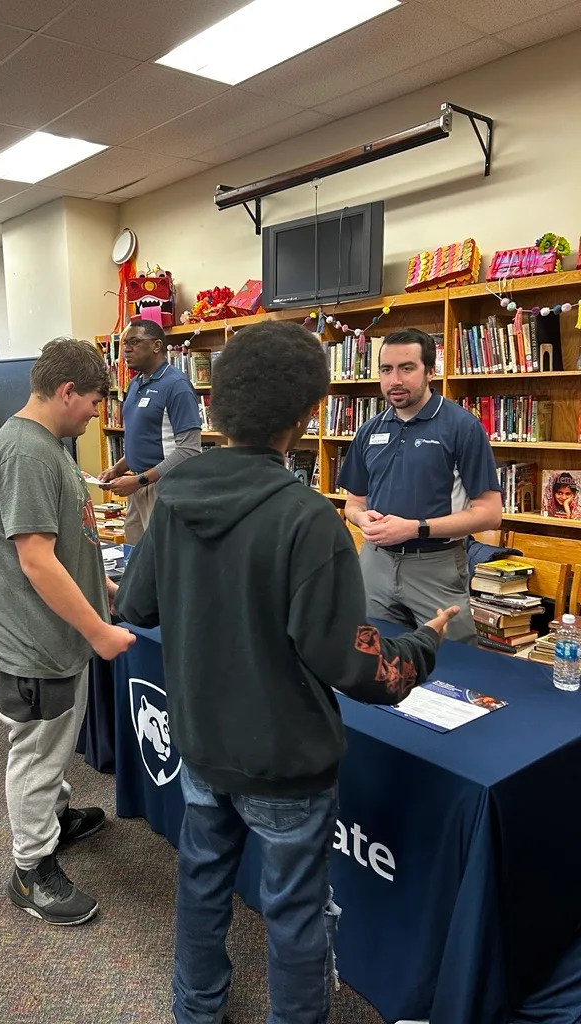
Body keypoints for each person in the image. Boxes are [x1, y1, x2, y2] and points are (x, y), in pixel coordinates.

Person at [115, 321, 458, 1024]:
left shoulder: (175, 497)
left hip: (203, 742)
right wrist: (424, 645)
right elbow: (356, 667)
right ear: (305, 416)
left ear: (220, 406)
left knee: (202, 881)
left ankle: (196, 1008)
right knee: (297, 913)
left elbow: (139, 602)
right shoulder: (306, 518)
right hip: (286, 759)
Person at [0, 338, 135, 926]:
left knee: (56, 744)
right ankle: (31, 867)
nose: (97, 412)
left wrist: (101, 589)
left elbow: (66, 539)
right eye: (93, 401)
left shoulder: (47, 445)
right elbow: (36, 559)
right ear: (67, 392)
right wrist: (98, 629)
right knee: (37, 751)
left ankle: (54, 820)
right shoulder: (28, 454)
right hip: (33, 637)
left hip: (52, 632)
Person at [337, 328, 502, 645]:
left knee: (453, 665)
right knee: (371, 658)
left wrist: (415, 528)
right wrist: (361, 519)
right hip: (374, 562)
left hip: (436, 566)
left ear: (430, 371)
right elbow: (353, 503)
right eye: (386, 370)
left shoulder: (462, 427)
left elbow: (490, 514)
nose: (394, 380)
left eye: (406, 368)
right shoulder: (369, 430)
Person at [97, 320, 202, 543]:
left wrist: (140, 480)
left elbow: (189, 450)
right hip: (140, 487)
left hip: (165, 488)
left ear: (156, 346)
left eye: (134, 342)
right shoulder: (136, 384)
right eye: (125, 343)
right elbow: (146, 439)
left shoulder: (177, 386)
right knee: (135, 558)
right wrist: (117, 469)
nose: (126, 348)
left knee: (164, 563)